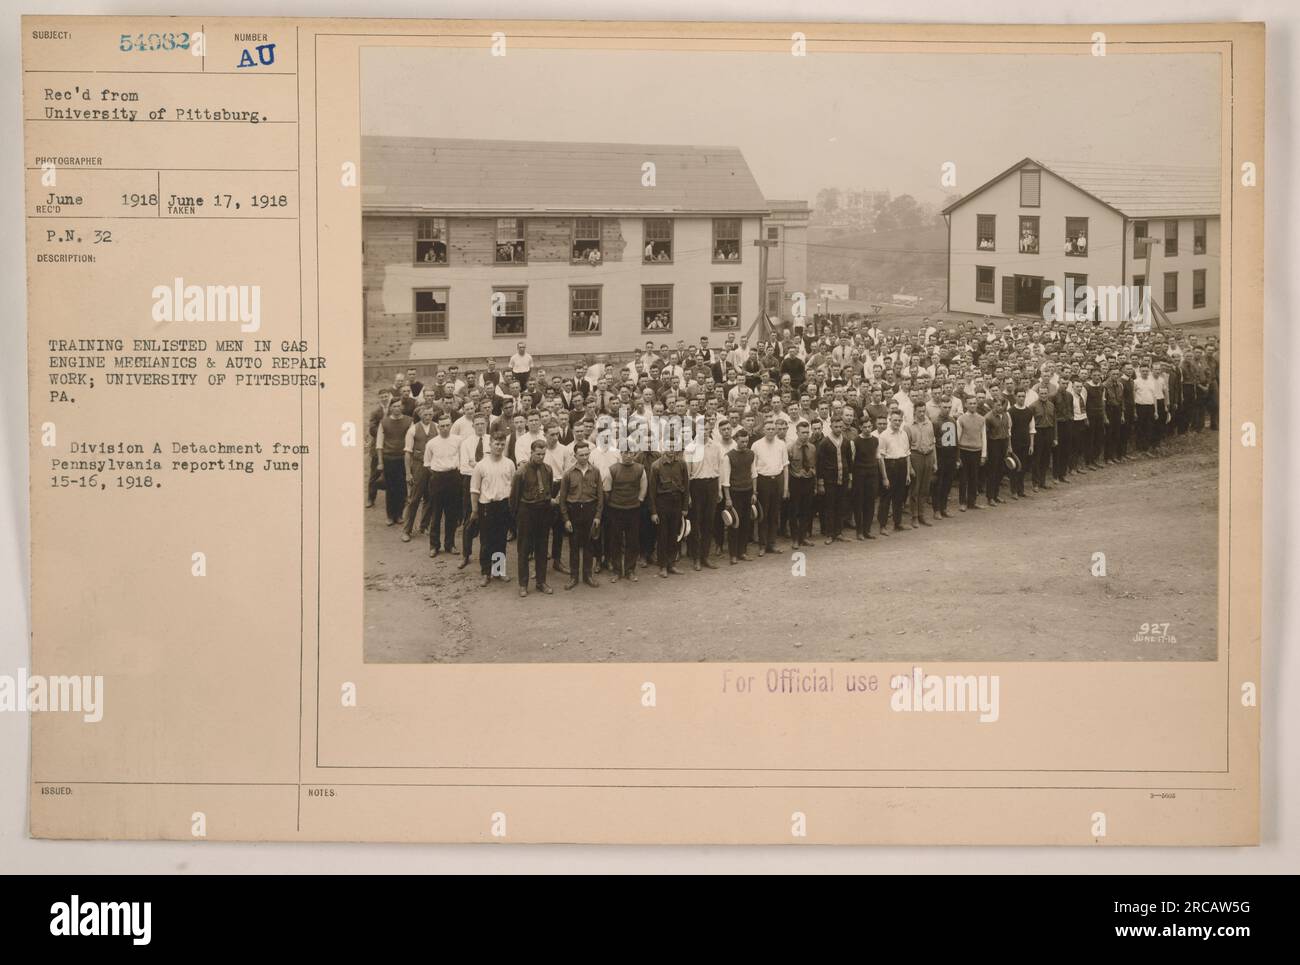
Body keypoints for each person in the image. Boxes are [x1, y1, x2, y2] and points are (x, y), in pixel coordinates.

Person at [468, 433, 515, 587]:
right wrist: (475, 510)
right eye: (496, 444)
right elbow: (474, 489)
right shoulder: (481, 465)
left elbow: (513, 487)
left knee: (500, 540)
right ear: (490, 444)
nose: (499, 447)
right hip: (486, 506)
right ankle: (486, 572)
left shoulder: (509, 464)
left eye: (502, 444)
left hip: (503, 506)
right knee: (486, 541)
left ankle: (499, 571)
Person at [510, 439, 555, 597]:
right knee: (524, 549)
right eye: (538, 454)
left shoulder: (548, 470)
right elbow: (514, 497)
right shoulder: (521, 472)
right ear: (531, 452)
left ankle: (541, 582)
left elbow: (548, 491)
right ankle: (523, 584)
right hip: (526, 512)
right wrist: (516, 519)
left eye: (543, 454)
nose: (541, 457)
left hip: (542, 511)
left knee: (542, 548)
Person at [558, 440, 604, 589]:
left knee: (589, 545)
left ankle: (588, 576)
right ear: (575, 455)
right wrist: (566, 519)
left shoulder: (595, 472)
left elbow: (600, 497)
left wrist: (597, 516)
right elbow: (563, 500)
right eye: (581, 455)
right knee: (574, 546)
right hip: (574, 511)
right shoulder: (568, 474)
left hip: (590, 510)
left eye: (586, 454)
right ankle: (573, 577)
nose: (584, 457)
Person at [648, 443, 690, 578]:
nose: (671, 450)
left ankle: (672, 564)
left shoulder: (682, 464)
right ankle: (663, 566)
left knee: (674, 534)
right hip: (662, 503)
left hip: (677, 503)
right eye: (668, 447)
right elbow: (652, 492)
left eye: (673, 447)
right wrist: (653, 512)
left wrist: (684, 507)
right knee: (662, 535)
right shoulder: (656, 466)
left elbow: (686, 486)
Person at [424, 411, 462, 556]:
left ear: (451, 425)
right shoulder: (431, 443)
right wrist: (438, 474)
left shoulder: (458, 440)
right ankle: (434, 546)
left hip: (453, 477)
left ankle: (450, 544)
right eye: (442, 426)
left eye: (447, 425)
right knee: (436, 514)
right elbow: (427, 464)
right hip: (438, 478)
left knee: (451, 514)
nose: (445, 428)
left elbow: (462, 458)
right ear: (438, 427)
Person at [751, 418, 789, 555]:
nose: (771, 431)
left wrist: (785, 487)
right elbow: (753, 468)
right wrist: (754, 489)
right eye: (768, 429)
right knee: (763, 515)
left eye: (773, 429)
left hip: (777, 480)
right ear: (763, 430)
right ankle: (762, 545)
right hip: (763, 481)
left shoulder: (781, 444)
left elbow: (785, 467)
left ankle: (772, 544)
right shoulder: (756, 445)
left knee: (774, 514)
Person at [720, 428, 757, 564]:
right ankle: (733, 554)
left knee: (746, 523)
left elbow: (754, 474)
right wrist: (728, 498)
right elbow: (726, 480)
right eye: (742, 441)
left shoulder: (751, 454)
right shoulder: (728, 457)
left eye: (747, 441)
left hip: (747, 491)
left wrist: (754, 492)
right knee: (734, 524)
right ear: (736, 440)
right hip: (735, 493)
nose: (745, 444)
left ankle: (742, 552)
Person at [374, 399, 412, 525]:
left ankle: (399, 514)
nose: (397, 408)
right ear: (390, 408)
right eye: (394, 406)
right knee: (390, 488)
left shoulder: (409, 421)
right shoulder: (384, 422)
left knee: (401, 488)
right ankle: (390, 515)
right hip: (389, 459)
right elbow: (379, 444)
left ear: (402, 407)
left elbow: (411, 441)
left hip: (403, 459)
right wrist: (380, 462)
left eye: (399, 406)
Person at [815, 415, 851, 543]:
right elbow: (819, 463)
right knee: (829, 506)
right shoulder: (824, 443)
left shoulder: (846, 441)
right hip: (829, 480)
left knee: (841, 505)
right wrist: (820, 482)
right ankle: (830, 534)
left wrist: (849, 476)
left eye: (840, 426)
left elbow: (848, 459)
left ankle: (839, 532)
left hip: (843, 478)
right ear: (830, 427)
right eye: (836, 426)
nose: (838, 429)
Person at [877, 410, 911, 532]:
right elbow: (880, 458)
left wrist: (907, 473)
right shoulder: (884, 436)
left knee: (899, 496)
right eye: (895, 420)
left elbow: (907, 454)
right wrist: (885, 477)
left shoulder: (904, 434)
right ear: (890, 420)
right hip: (890, 466)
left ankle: (898, 523)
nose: (897, 422)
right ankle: (883, 526)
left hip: (902, 466)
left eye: (899, 420)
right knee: (886, 497)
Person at [905, 402, 936, 526]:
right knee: (915, 488)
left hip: (928, 456)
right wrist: (910, 467)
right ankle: (914, 516)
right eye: (919, 411)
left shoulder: (929, 424)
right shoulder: (908, 427)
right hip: (916, 456)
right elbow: (906, 448)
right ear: (914, 412)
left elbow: (933, 444)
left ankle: (922, 514)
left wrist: (934, 461)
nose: (922, 413)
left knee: (925, 488)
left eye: (924, 411)